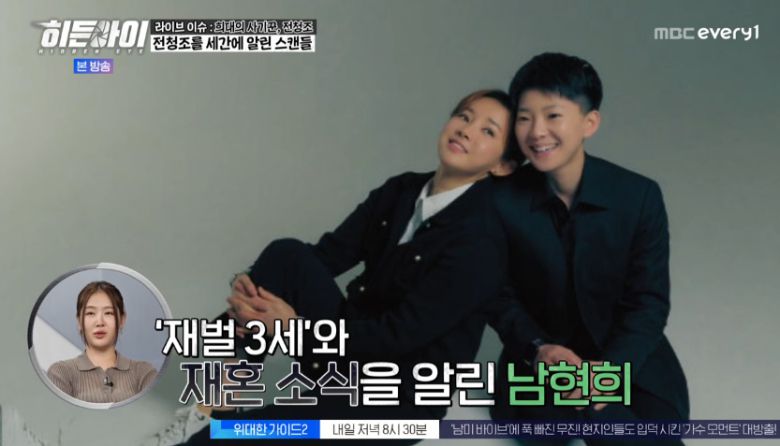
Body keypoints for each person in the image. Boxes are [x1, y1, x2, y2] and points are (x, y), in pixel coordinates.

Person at [179, 89, 521, 445]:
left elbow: (396, 336)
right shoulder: (401, 190)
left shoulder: (481, 240)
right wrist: (249, 282)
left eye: (488, 131)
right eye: (464, 116)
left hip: (397, 397)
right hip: (348, 355)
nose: (466, 130)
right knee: (285, 255)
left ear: (503, 165)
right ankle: (215, 405)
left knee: (224, 440)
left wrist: (294, 329)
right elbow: (325, 256)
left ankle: (216, 428)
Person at [489, 53, 689, 445]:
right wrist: (538, 348)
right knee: (553, 424)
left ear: (589, 123)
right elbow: (495, 293)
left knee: (655, 424)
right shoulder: (499, 199)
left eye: (553, 115)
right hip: (540, 362)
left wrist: (608, 373)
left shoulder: (638, 195)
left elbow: (648, 302)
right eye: (525, 118)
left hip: (626, 357)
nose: (537, 132)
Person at [47, 281, 157, 404]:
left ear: (122, 319)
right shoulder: (61, 373)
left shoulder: (144, 373)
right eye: (90, 313)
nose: (99, 322)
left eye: (108, 313)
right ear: (79, 321)